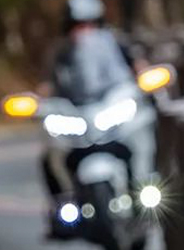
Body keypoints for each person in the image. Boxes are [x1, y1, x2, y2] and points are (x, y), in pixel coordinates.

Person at [40, 0, 140, 199]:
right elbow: (46, 87)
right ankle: (63, 200)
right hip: (75, 115)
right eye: (78, 25)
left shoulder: (115, 43)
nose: (85, 30)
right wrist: (40, 102)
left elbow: (139, 68)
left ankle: (143, 185)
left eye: (90, 24)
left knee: (142, 132)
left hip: (112, 108)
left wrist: (144, 79)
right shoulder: (59, 52)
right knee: (49, 155)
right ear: (68, 27)